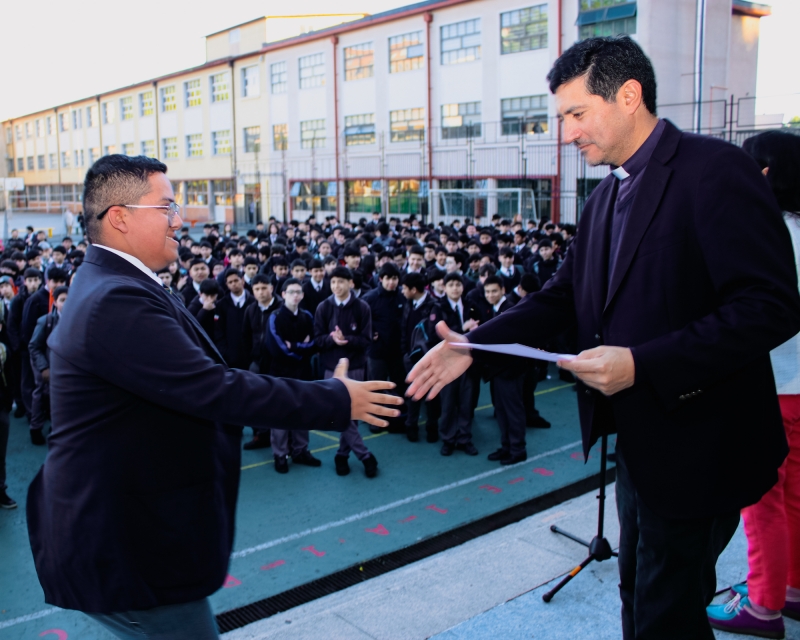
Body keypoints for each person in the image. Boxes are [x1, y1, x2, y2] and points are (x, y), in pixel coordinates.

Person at [407, 36, 800, 640]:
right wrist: (471, 346)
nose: (566, 133)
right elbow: (561, 299)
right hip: (639, 445)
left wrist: (643, 364)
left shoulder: (716, 171)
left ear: (629, 96)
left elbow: (770, 306)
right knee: (637, 594)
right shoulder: (604, 198)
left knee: (665, 608)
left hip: (705, 445)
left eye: (576, 113)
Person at [26, 155, 401, 640]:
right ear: (119, 216)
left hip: (131, 532)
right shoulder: (114, 299)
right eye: (167, 207)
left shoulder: (114, 284)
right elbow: (213, 387)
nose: (181, 220)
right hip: (129, 545)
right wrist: (335, 399)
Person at [706, 130, 800, 637]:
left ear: (762, 173)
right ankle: (791, 589)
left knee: (762, 499)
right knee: (795, 496)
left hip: (773, 385)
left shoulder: (763, 231)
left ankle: (762, 604)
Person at [314, 266, 379, 478]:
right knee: (341, 413)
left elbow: (366, 340)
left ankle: (342, 454)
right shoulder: (323, 307)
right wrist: (331, 339)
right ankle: (365, 455)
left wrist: (347, 340)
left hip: (356, 367)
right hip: (332, 368)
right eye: (333, 282)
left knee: (354, 414)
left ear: (350, 283)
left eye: (340, 282)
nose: (336, 286)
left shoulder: (362, 307)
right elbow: (318, 340)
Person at [266, 278, 321, 473]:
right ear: (283, 294)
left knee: (303, 413)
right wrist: (301, 349)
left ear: (303, 295)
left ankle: (300, 450)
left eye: (298, 292)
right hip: (281, 373)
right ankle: (280, 454)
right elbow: (277, 348)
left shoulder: (307, 316)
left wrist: (296, 346)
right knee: (281, 414)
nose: (295, 295)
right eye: (291, 292)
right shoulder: (275, 317)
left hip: (303, 372)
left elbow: (315, 343)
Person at [430, 273, 480, 457]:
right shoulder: (438, 308)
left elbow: (481, 328)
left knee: (466, 402)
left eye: (458, 284)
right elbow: (436, 335)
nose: (455, 288)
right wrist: (463, 330)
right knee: (448, 403)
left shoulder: (471, 306)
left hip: (468, 363)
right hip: (447, 363)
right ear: (444, 287)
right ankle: (448, 439)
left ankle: (464, 438)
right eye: (451, 284)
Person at [28, 286, 68, 441]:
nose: (66, 303)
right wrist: (43, 367)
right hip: (45, 364)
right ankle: (35, 428)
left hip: (63, 368)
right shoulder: (46, 321)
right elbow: (34, 346)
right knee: (40, 394)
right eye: (62, 300)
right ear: (55, 302)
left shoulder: (75, 319)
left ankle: (55, 427)